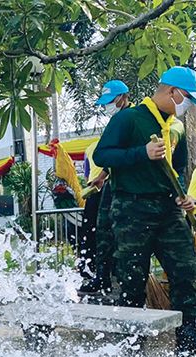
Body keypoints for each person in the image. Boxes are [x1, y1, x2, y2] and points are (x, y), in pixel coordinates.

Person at [93, 66, 196, 357]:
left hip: (169, 209)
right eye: (187, 98)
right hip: (132, 209)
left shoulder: (176, 127)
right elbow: (102, 154)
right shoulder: (129, 119)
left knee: (185, 270)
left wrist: (184, 195)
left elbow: (177, 170)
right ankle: (132, 343)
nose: (188, 104)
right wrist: (141, 152)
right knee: (132, 277)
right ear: (172, 92)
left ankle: (188, 338)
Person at [78, 80, 130, 292]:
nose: (108, 106)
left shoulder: (130, 118)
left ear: (122, 97)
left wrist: (103, 174)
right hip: (108, 186)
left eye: (111, 101)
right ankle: (101, 277)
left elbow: (122, 152)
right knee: (101, 232)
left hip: (125, 188)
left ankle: (123, 280)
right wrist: (101, 176)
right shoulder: (116, 121)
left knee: (122, 235)